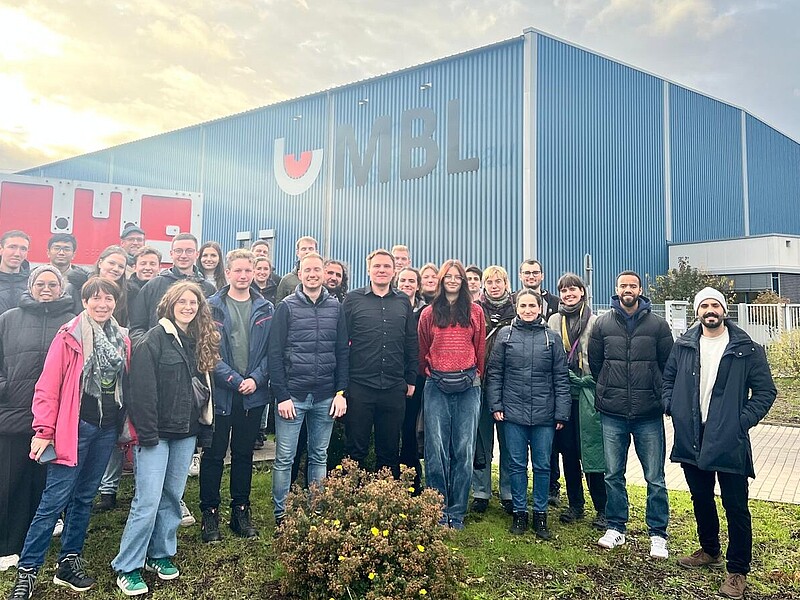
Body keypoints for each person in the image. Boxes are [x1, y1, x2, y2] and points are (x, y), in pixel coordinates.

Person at [8, 277, 129, 598]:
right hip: (74, 429)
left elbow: (125, 387)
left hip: (106, 429)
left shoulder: (122, 340)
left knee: (85, 498)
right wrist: (44, 431)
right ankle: (28, 570)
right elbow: (47, 387)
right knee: (53, 501)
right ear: (85, 301)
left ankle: (68, 562)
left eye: (109, 299)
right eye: (96, 298)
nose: (102, 304)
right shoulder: (69, 336)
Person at [664, 288, 776, 600]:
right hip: (691, 437)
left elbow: (766, 392)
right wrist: (671, 406)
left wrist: (742, 421)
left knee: (736, 506)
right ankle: (709, 549)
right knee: (700, 498)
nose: (710, 310)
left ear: (724, 310)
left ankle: (737, 569)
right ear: (697, 311)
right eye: (704, 306)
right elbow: (668, 380)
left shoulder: (747, 348)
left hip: (729, 441)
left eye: (715, 305)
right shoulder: (684, 345)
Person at [112, 282, 220, 596]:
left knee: (172, 496)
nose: (188, 307)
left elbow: (205, 392)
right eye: (182, 301)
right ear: (169, 304)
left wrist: (203, 429)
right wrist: (147, 435)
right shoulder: (152, 341)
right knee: (146, 501)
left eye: (194, 302)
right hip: (156, 435)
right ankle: (128, 565)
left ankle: (159, 554)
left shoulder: (198, 342)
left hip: (185, 434)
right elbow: (141, 393)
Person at [588, 270, 674, 559]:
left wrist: (658, 394)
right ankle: (616, 527)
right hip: (612, 412)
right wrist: (609, 389)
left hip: (648, 412)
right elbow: (597, 364)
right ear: (616, 289)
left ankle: (658, 534)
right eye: (623, 285)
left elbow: (667, 365)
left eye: (633, 285)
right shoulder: (602, 324)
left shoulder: (658, 325)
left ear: (640, 289)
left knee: (655, 477)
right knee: (613, 474)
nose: (628, 289)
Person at [0, 266, 75, 572]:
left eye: (53, 284)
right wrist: (7, 388)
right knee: (10, 482)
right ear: (30, 287)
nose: (47, 288)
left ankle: (35, 541)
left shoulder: (72, 322)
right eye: (41, 283)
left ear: (62, 288)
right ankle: (7, 544)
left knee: (43, 482)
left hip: (57, 420)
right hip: (14, 415)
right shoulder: (8, 319)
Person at [268, 253, 348, 526]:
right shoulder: (286, 307)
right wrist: (282, 395)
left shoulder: (336, 308)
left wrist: (340, 393)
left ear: (325, 274)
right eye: (307, 270)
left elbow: (342, 352)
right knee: (284, 459)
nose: (313, 274)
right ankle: (282, 514)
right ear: (299, 274)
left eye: (317, 270)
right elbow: (274, 354)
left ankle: (317, 510)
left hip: (325, 396)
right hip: (293, 396)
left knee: (319, 456)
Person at [200, 250, 273, 542]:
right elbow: (206, 350)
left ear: (254, 273)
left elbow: (273, 351)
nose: (243, 276)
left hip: (253, 394)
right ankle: (210, 513)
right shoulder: (212, 307)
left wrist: (256, 379)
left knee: (243, 454)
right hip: (222, 393)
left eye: (248, 271)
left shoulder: (266, 307)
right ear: (227, 273)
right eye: (237, 271)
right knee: (215, 454)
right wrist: (233, 379)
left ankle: (240, 511)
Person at [485, 290, 571, 539]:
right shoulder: (505, 335)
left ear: (540, 308)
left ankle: (540, 515)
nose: (528, 310)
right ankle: (520, 513)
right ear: (517, 307)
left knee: (543, 466)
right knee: (516, 464)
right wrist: (496, 405)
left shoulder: (551, 338)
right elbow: (495, 373)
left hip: (545, 414)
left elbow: (561, 379)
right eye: (523, 305)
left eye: (532, 305)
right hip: (512, 413)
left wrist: (561, 413)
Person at [418, 260, 486, 530]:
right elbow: (423, 347)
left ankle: (457, 512)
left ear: (464, 282)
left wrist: (474, 375)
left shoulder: (476, 312)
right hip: (436, 386)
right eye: (450, 276)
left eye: (459, 277)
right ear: (442, 279)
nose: (454, 280)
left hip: (468, 386)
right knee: (435, 449)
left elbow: (480, 347)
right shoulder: (428, 314)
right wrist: (433, 371)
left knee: (463, 449)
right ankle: (438, 509)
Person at [342, 249, 417, 479]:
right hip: (360, 386)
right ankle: (351, 499)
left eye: (386, 266)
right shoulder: (353, 300)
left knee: (389, 450)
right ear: (368, 270)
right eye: (377, 266)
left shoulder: (403, 301)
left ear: (394, 271)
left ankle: (386, 504)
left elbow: (411, 341)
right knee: (356, 450)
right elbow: (342, 343)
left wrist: (411, 378)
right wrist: (342, 385)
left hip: (394, 387)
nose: (382, 270)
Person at [548, 273, 607, 530]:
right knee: (568, 452)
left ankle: (602, 508)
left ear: (582, 292)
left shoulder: (595, 322)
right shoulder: (553, 320)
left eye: (573, 289)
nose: (568, 294)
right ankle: (575, 504)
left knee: (592, 452)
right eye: (564, 290)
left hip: (587, 394)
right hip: (563, 394)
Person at [471, 266, 516, 515]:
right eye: (489, 281)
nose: (494, 285)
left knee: (508, 442)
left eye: (499, 281)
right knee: (481, 441)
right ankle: (481, 491)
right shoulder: (475, 310)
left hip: (510, 387)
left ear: (506, 283)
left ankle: (509, 492)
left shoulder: (517, 309)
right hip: (481, 384)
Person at [129, 233, 215, 342]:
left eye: (189, 251)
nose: (183, 255)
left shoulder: (208, 289)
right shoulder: (153, 286)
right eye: (178, 251)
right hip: (159, 355)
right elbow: (136, 326)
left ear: (197, 254)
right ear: (171, 254)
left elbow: (212, 326)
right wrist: (146, 346)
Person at [396, 267, 426, 492]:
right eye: (403, 280)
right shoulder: (392, 305)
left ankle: (412, 481)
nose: (407, 284)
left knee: (409, 429)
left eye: (411, 281)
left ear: (418, 285)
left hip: (415, 378)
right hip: (391, 377)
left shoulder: (425, 311)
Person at [93, 246, 130, 326]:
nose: (116, 269)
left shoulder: (130, 292)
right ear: (100, 263)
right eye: (111, 263)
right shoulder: (79, 287)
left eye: (121, 267)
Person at [275, 236, 318, 303]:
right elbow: (279, 305)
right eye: (304, 249)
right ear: (297, 253)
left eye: (311, 249)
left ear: (316, 252)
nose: (307, 252)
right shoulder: (287, 280)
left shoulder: (322, 278)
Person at [46, 234, 88, 299]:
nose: (61, 253)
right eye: (57, 248)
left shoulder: (84, 278)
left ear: (73, 254)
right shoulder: (34, 276)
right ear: (48, 252)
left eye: (67, 249)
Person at [0, 230, 30, 316]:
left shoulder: (33, 283)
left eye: (23, 249)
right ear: (1, 249)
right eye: (12, 247)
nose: (17, 254)